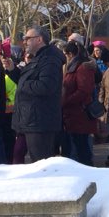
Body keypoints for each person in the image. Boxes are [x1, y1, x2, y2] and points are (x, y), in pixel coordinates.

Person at [11, 26, 65, 163]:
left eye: (27, 38)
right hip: (29, 120)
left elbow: (46, 86)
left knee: (41, 163)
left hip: (40, 122)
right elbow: (26, 79)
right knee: (18, 154)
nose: (24, 41)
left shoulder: (50, 59)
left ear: (39, 39)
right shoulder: (39, 58)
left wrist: (24, 85)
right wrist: (12, 71)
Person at [60, 39, 97, 166]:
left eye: (66, 54)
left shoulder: (82, 68)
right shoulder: (73, 66)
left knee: (82, 146)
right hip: (73, 113)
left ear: (70, 54)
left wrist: (66, 100)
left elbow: (84, 91)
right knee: (76, 143)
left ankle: (86, 169)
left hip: (80, 113)